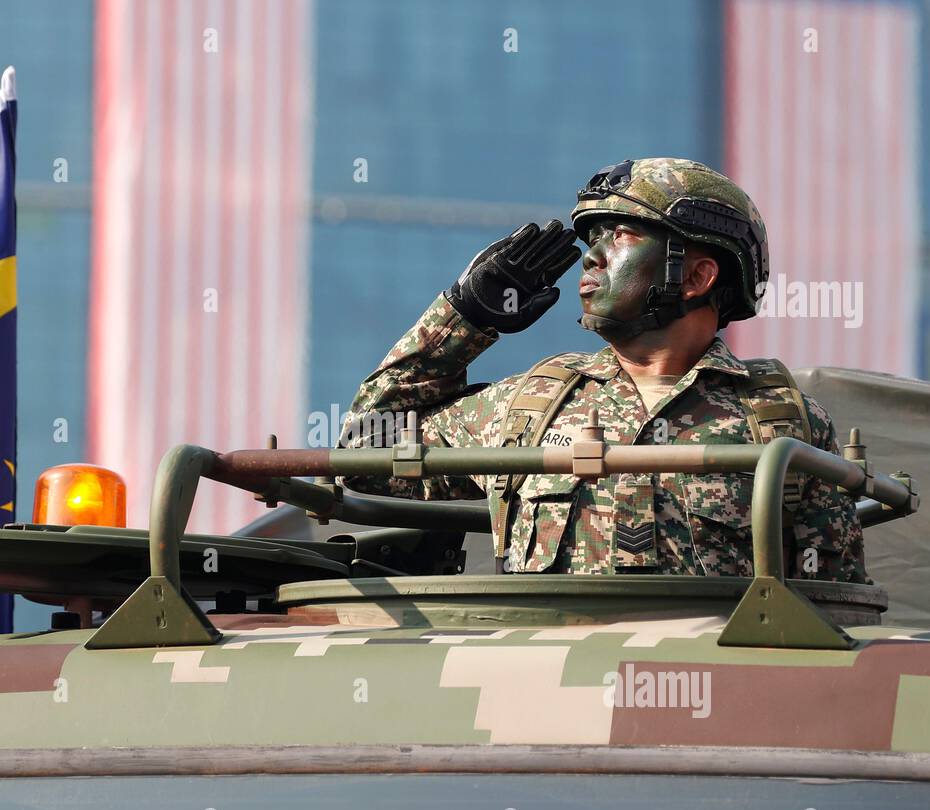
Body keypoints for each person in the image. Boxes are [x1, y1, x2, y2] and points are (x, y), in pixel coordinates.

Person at [336, 157, 867, 582]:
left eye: (621, 237)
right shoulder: (529, 408)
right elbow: (361, 455)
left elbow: (832, 604)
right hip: (545, 699)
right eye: (593, 239)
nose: (591, 258)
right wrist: (464, 319)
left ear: (699, 275)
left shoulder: (783, 425)